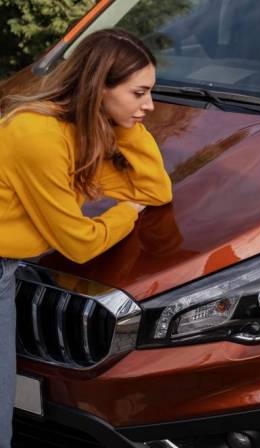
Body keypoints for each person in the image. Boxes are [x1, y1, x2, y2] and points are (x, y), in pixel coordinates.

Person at [0, 28, 172, 447]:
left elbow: (156, 190)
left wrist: (128, 123)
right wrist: (124, 214)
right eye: (139, 93)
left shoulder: (77, 134)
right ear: (99, 87)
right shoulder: (36, 135)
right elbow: (78, 242)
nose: (149, 104)